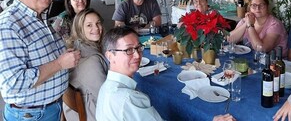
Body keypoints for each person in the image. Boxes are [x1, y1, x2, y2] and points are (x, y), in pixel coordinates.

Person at [96, 27, 236, 121]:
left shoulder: (106, 88)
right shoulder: (129, 99)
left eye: (138, 48)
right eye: (128, 50)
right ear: (110, 56)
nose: (137, 55)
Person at [0, 0, 81, 121]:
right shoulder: (9, 25)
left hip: (50, 108)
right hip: (31, 115)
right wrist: (60, 64)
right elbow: (14, 82)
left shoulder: (40, 17)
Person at [63, 8, 108, 121]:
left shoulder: (76, 47)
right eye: (89, 25)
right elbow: (106, 98)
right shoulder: (91, 61)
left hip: (73, 112)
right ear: (79, 29)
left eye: (98, 23)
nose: (96, 28)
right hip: (91, 113)